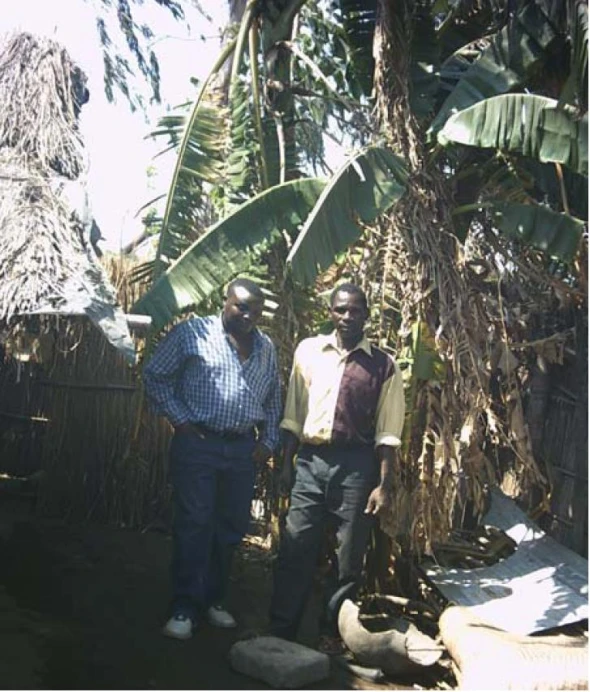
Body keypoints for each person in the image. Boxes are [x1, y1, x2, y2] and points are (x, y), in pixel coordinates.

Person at [143, 278, 282, 640]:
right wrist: (181, 421)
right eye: (241, 305)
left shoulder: (266, 348)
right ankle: (184, 607)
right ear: (225, 302)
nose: (248, 314)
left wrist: (267, 442)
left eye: (256, 308)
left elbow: (273, 399)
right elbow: (155, 375)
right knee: (195, 523)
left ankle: (214, 600)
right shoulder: (193, 333)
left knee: (230, 527)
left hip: (241, 451)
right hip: (199, 445)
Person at [269, 283, 405, 646]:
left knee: (349, 559)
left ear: (366, 315)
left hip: (356, 468)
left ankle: (331, 633)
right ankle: (282, 630)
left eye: (355, 310)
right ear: (330, 312)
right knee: (296, 547)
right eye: (340, 310)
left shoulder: (383, 365)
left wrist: (384, 484)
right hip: (311, 462)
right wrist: (286, 466)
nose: (347, 317)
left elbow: (388, 431)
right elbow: (293, 415)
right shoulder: (309, 351)